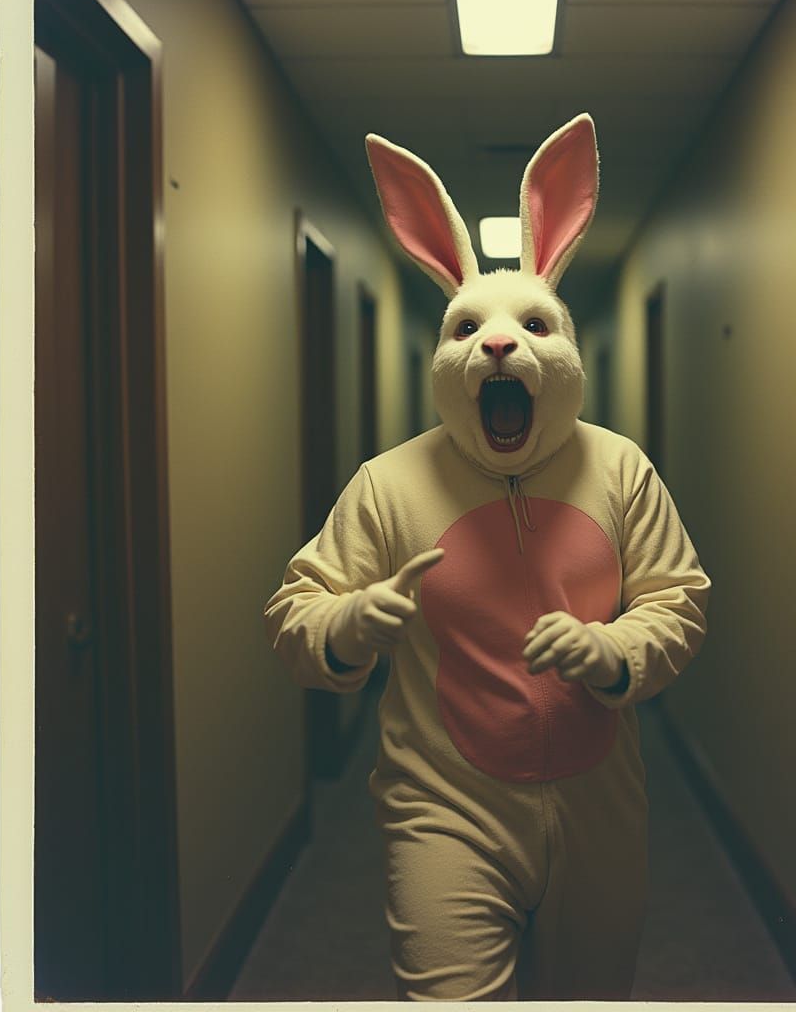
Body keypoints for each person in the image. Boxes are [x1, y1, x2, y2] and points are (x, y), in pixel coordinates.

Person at [264, 113, 711, 1001]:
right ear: (444, 358)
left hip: (601, 811)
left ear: (568, 352)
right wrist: (348, 624)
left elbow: (679, 600)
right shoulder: (388, 485)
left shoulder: (620, 467)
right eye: (467, 329)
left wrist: (614, 651)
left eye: (533, 325)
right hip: (443, 808)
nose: (497, 343)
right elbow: (293, 617)